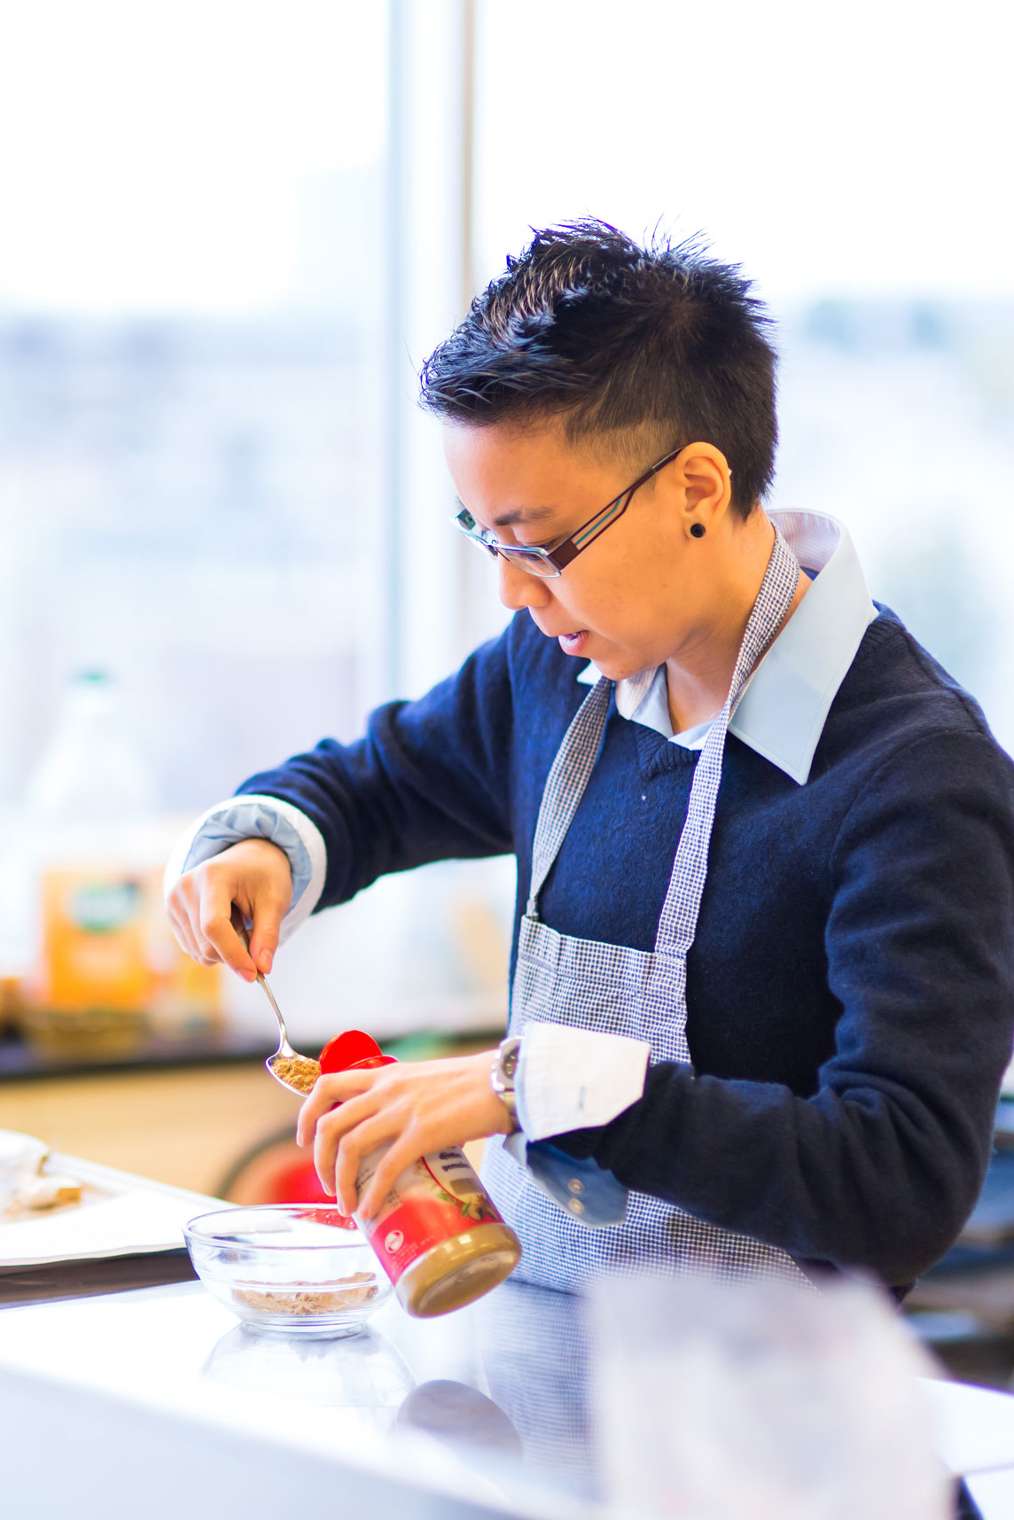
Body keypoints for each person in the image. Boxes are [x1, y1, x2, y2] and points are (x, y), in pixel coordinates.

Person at [166, 220, 1014, 1299]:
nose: (516, 593)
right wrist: (266, 844)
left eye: (544, 543)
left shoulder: (915, 778)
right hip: (547, 1363)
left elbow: (897, 1179)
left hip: (782, 1430)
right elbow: (372, 786)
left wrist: (543, 1085)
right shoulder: (559, 673)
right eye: (488, 540)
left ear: (698, 487)